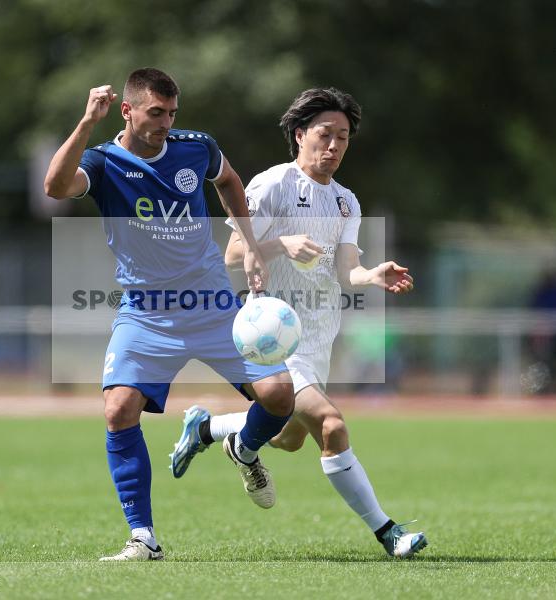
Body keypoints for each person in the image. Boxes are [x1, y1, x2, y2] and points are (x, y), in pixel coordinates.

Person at [44, 68, 295, 561]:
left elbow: (227, 179)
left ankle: (242, 448)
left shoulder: (195, 146)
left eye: (171, 113)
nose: (165, 123)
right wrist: (84, 123)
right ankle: (143, 537)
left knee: (280, 398)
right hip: (145, 313)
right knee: (118, 409)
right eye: (155, 113)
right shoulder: (102, 161)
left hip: (211, 304)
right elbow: (55, 186)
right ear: (128, 110)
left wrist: (246, 241)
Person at [170, 88, 428, 558]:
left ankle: (207, 430)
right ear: (299, 134)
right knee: (331, 425)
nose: (334, 147)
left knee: (288, 438)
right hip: (273, 336)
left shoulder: (346, 202)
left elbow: (345, 270)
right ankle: (388, 531)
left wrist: (372, 275)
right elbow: (228, 256)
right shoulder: (271, 186)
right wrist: (280, 243)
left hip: (318, 336)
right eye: (325, 135)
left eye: (343, 138)